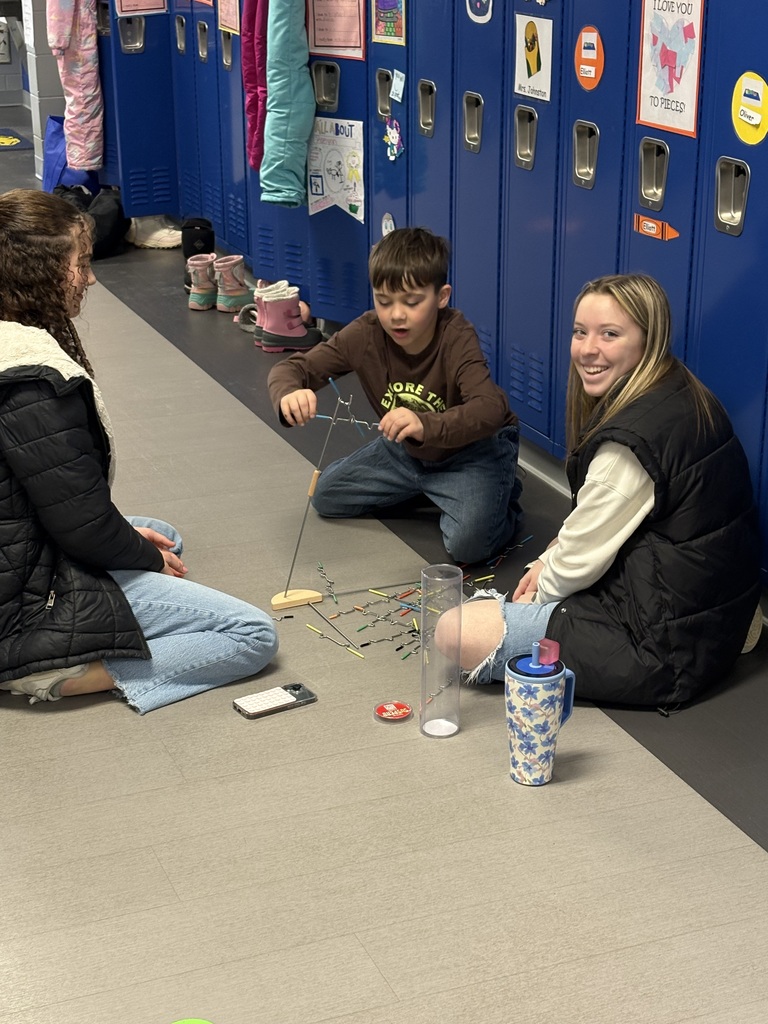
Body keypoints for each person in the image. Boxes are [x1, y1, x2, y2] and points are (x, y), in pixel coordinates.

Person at [0, 189, 278, 712]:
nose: (91, 277)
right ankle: (54, 672)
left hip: (19, 556)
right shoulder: (31, 384)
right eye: (80, 264)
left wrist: (135, 542)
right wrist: (142, 554)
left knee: (162, 533)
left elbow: (60, 503)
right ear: (37, 272)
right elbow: (82, 527)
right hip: (21, 606)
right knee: (251, 635)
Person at [443, 273, 761, 708]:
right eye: (580, 332)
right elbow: (599, 524)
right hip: (719, 615)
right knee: (555, 555)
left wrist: (540, 593)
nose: (588, 349)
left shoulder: (629, 447)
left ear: (648, 340)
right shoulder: (677, 391)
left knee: (453, 631)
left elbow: (576, 561)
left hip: (665, 652)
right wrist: (550, 557)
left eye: (609, 334)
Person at [267, 227, 523, 565]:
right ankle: (430, 488)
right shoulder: (365, 333)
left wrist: (425, 424)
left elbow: (491, 408)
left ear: (442, 296)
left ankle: (503, 493)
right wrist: (289, 394)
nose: (396, 314)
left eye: (412, 302)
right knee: (326, 497)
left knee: (468, 547)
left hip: (471, 452)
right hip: (406, 452)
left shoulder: (456, 335)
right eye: (383, 301)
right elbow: (291, 370)